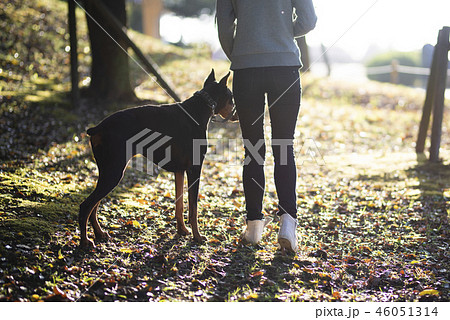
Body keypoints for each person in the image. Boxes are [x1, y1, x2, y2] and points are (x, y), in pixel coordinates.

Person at [216, 0, 317, 252]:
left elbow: (224, 26)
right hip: (285, 68)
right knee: (284, 146)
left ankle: (253, 227)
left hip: (246, 69)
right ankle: (287, 225)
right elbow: (309, 20)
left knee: (253, 149)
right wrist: (280, 30)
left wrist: (242, 51)